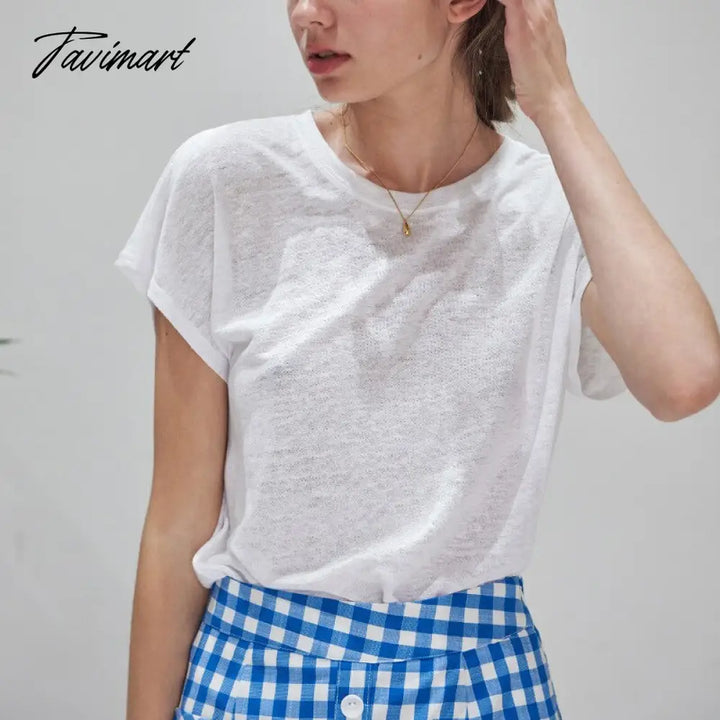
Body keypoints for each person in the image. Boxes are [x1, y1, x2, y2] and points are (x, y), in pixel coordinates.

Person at [114, 1, 630, 719]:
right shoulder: (227, 181)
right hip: (256, 678)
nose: (307, 13)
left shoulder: (556, 209)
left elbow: (688, 376)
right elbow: (177, 523)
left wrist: (559, 103)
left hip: (474, 686)